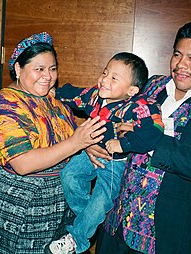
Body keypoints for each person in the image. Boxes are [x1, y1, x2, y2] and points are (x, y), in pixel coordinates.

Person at [94, 20, 191, 254]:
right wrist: (93, 143)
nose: (180, 64)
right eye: (177, 54)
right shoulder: (152, 86)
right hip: (114, 226)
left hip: (164, 237)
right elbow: (112, 114)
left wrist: (149, 140)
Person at [0, 31, 106, 254]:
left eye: (52, 69)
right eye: (39, 69)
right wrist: (76, 143)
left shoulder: (51, 98)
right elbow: (23, 163)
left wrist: (87, 143)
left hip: (58, 205)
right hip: (22, 208)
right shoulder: (6, 105)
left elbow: (68, 135)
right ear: (19, 69)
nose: (48, 76)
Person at [45, 52, 164, 254]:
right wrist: (55, 93)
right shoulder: (95, 96)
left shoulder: (139, 106)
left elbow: (154, 132)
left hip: (115, 162)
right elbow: (75, 94)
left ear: (132, 90)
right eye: (105, 73)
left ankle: (77, 238)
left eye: (114, 78)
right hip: (90, 153)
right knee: (69, 175)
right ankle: (86, 221)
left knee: (102, 197)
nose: (104, 80)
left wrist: (124, 143)